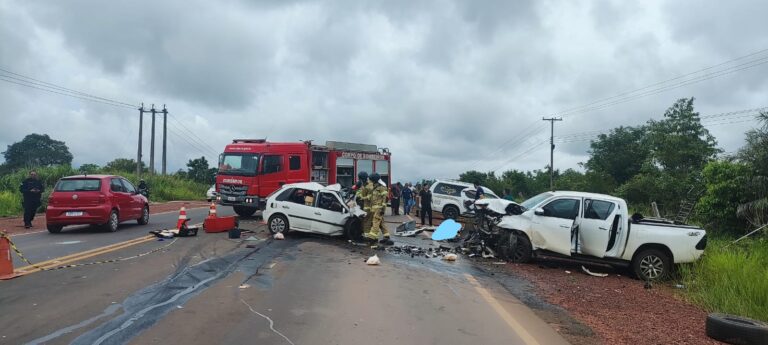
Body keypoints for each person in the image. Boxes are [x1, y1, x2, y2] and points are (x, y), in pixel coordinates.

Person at [364, 172, 393, 245]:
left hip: (379, 209)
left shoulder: (381, 187)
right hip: (374, 209)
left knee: (375, 223)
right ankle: (386, 236)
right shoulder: (375, 187)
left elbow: (385, 199)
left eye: (370, 179)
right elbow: (372, 197)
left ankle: (372, 238)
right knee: (381, 223)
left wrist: (382, 209)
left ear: (374, 180)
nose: (369, 181)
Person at [355, 171, 372, 238]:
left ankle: (367, 234)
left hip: (366, 205)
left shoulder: (368, 185)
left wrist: (361, 197)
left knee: (366, 220)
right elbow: (357, 191)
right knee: (362, 219)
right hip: (361, 204)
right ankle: (362, 232)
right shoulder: (361, 184)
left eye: (359, 178)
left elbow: (369, 195)